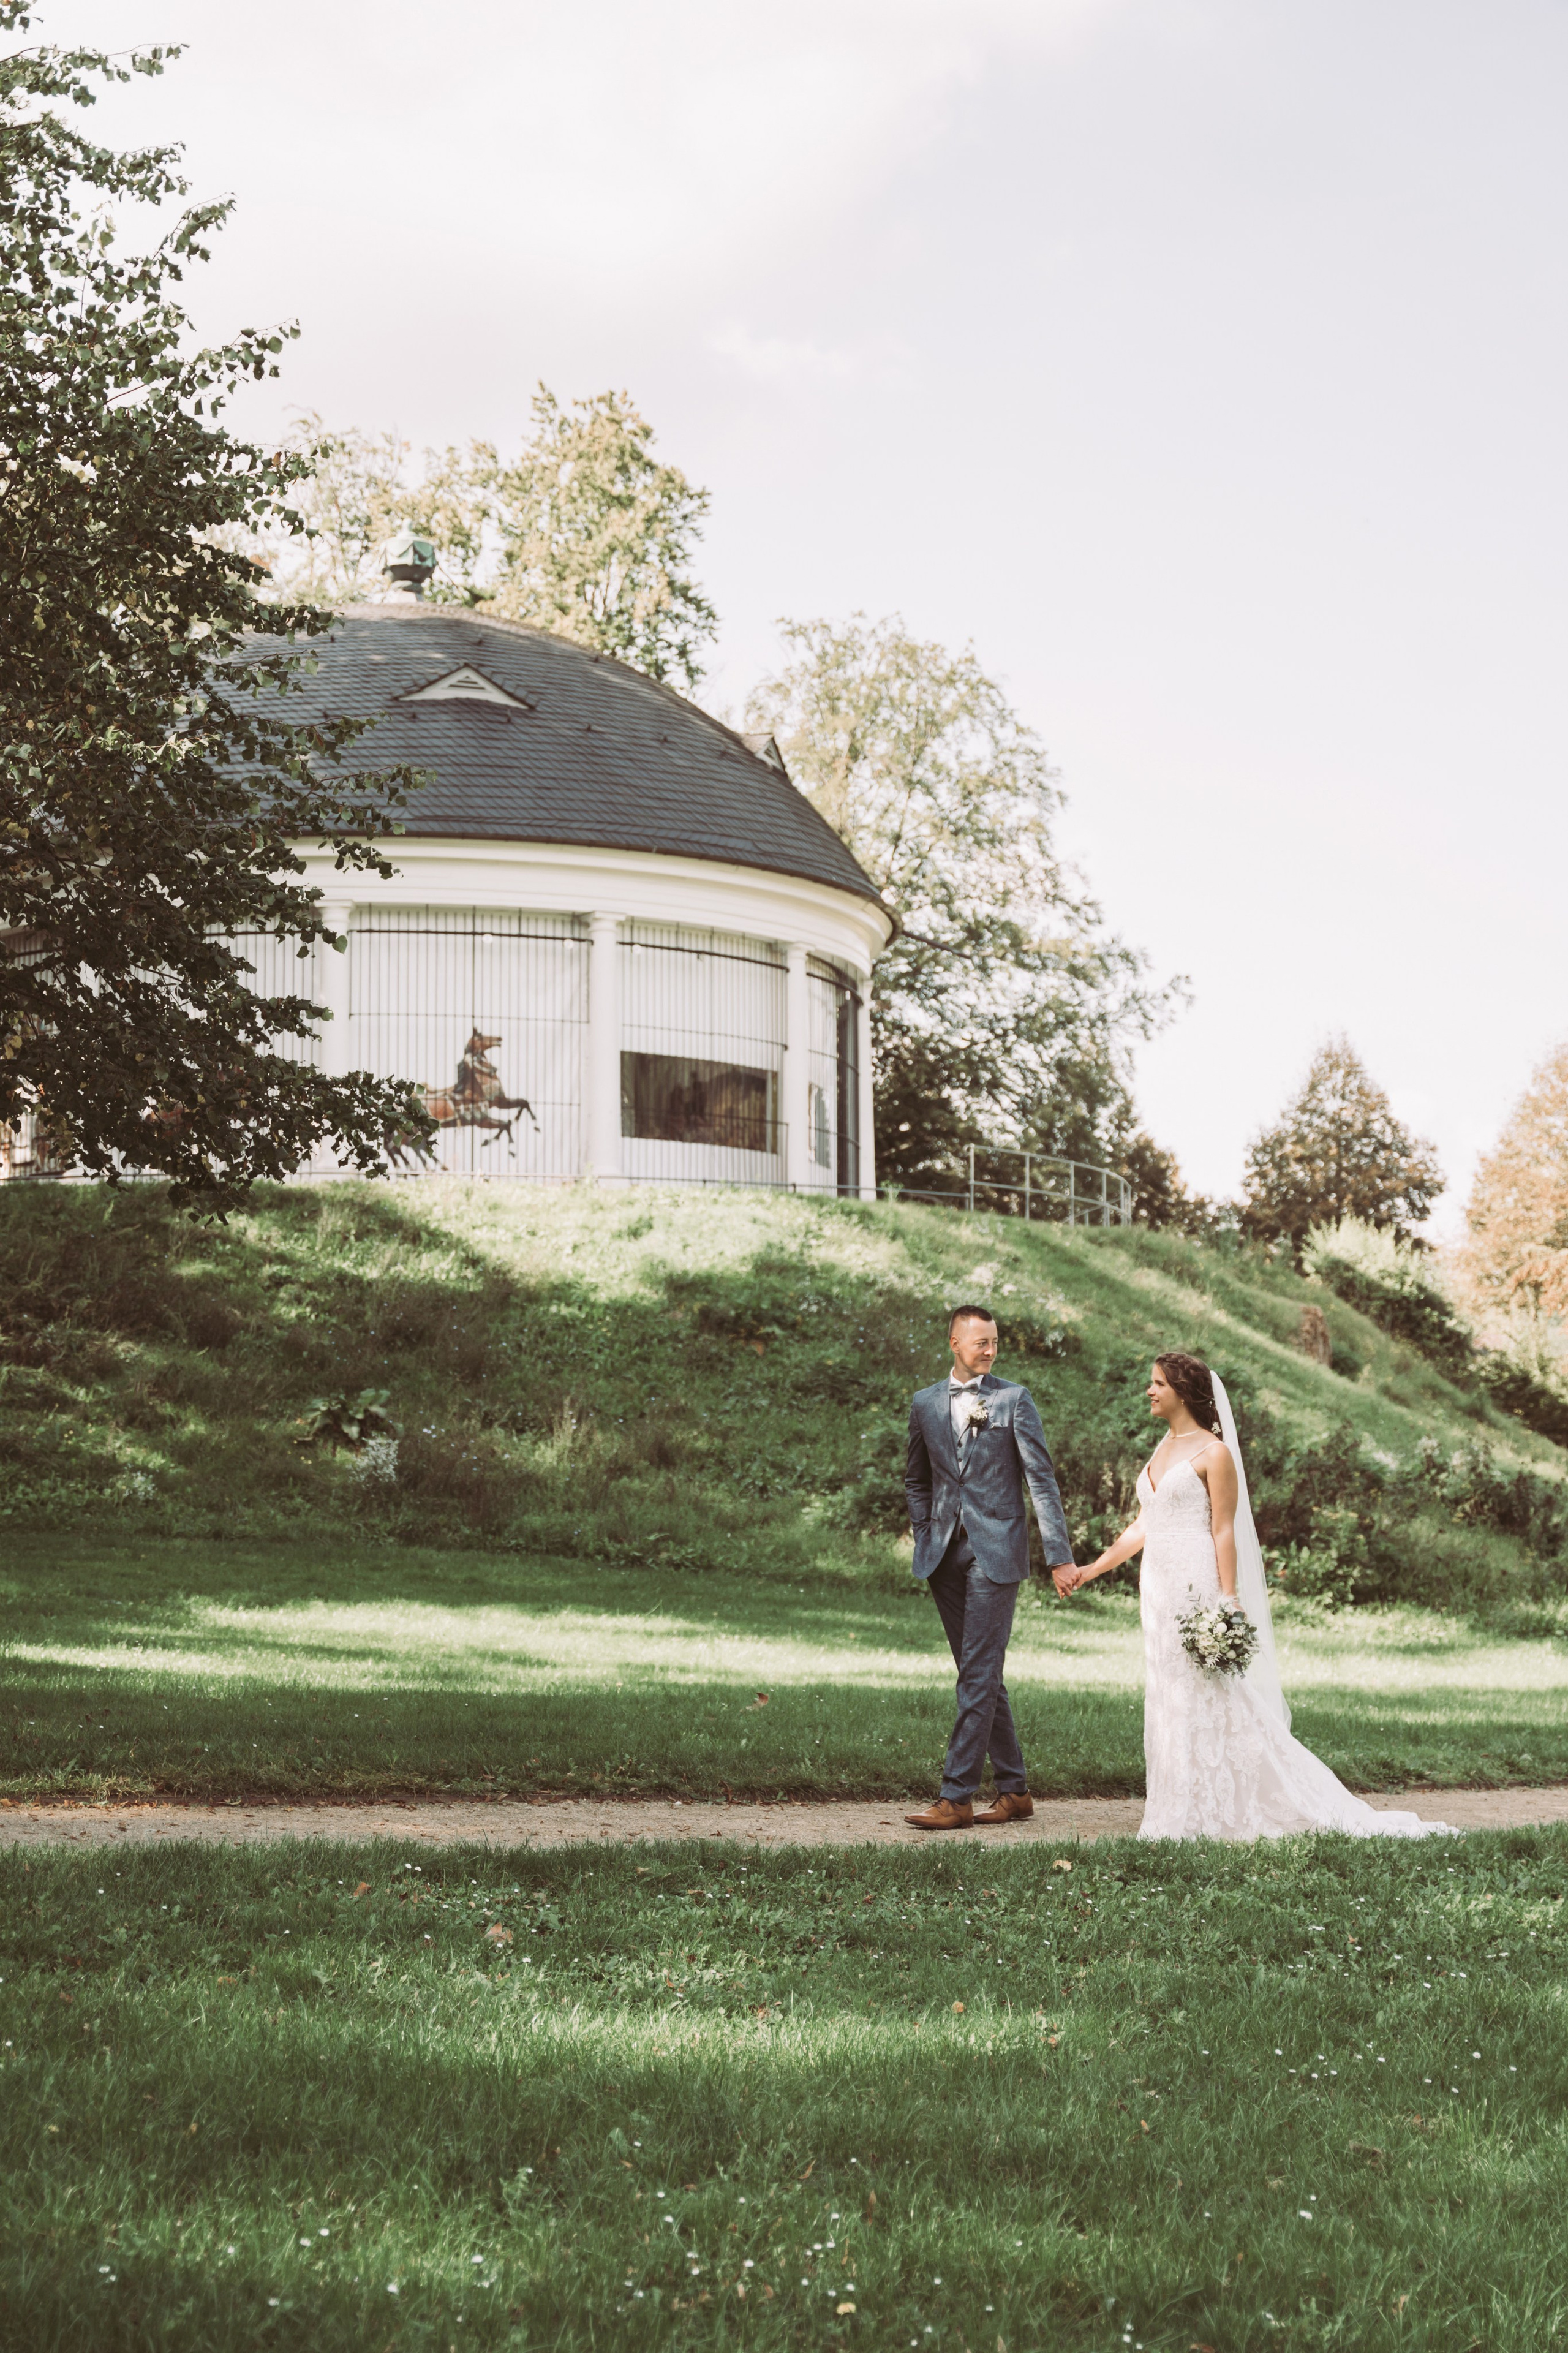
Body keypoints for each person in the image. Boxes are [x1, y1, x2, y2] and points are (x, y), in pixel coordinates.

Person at [1057, 1351, 1453, 1842]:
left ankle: (1224, 1802)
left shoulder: (1214, 1453)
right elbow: (1144, 1524)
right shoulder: (1162, 1448)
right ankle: (1179, 1801)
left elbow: (1223, 1530)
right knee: (1168, 1691)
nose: (1150, 1391)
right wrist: (1090, 1569)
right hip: (1156, 1586)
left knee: (1207, 1689)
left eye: (1158, 1383)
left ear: (1183, 1391)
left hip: (1197, 1582)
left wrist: (1228, 1597)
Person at [902, 1304, 1076, 1831]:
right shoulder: (925, 1404)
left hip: (995, 1553)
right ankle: (1015, 1790)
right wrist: (926, 1530)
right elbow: (916, 1479)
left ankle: (955, 1798)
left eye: (995, 1341)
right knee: (980, 1675)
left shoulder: (1013, 1399)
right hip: (942, 1557)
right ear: (955, 1342)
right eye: (981, 1341)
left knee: (978, 1674)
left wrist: (1059, 1555)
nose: (991, 1349)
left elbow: (1040, 1481)